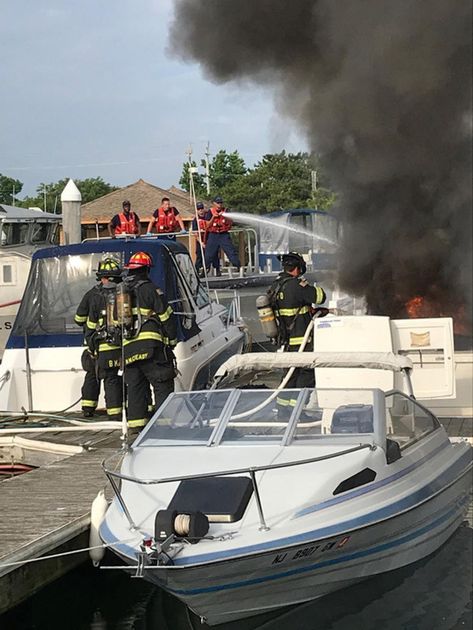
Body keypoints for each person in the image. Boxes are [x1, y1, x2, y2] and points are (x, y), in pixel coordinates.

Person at [121, 251, 178, 429]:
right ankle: (164, 427)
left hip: (128, 349)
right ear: (146, 269)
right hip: (151, 348)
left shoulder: (121, 294)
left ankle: (137, 427)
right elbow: (166, 316)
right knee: (162, 384)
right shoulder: (152, 289)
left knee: (136, 389)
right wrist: (172, 340)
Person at [268, 252, 327, 417]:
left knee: (290, 375)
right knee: (308, 374)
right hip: (302, 339)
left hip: (286, 340)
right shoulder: (296, 285)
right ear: (297, 268)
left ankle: (282, 410)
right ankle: (297, 409)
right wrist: (309, 286)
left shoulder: (276, 285)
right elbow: (320, 296)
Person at [75, 259, 123, 420]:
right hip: (121, 345)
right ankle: (116, 413)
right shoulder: (125, 294)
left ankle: (88, 408)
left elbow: (79, 319)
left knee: (93, 374)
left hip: (96, 344)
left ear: (102, 278)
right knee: (115, 378)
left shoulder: (91, 294)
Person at [204, 196, 240, 276]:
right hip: (213, 235)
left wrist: (224, 216)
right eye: (218, 203)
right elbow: (207, 225)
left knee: (231, 252)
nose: (219, 205)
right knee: (209, 254)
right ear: (214, 203)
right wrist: (214, 217)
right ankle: (205, 269)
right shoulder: (210, 212)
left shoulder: (226, 211)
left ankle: (238, 266)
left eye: (221, 203)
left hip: (223, 235)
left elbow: (231, 222)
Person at [191, 202, 209, 275]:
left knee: (209, 256)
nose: (201, 211)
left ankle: (208, 271)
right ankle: (196, 271)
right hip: (200, 241)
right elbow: (195, 233)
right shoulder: (195, 220)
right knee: (199, 256)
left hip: (208, 240)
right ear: (197, 210)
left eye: (202, 208)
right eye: (199, 209)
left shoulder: (207, 218)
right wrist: (201, 243)